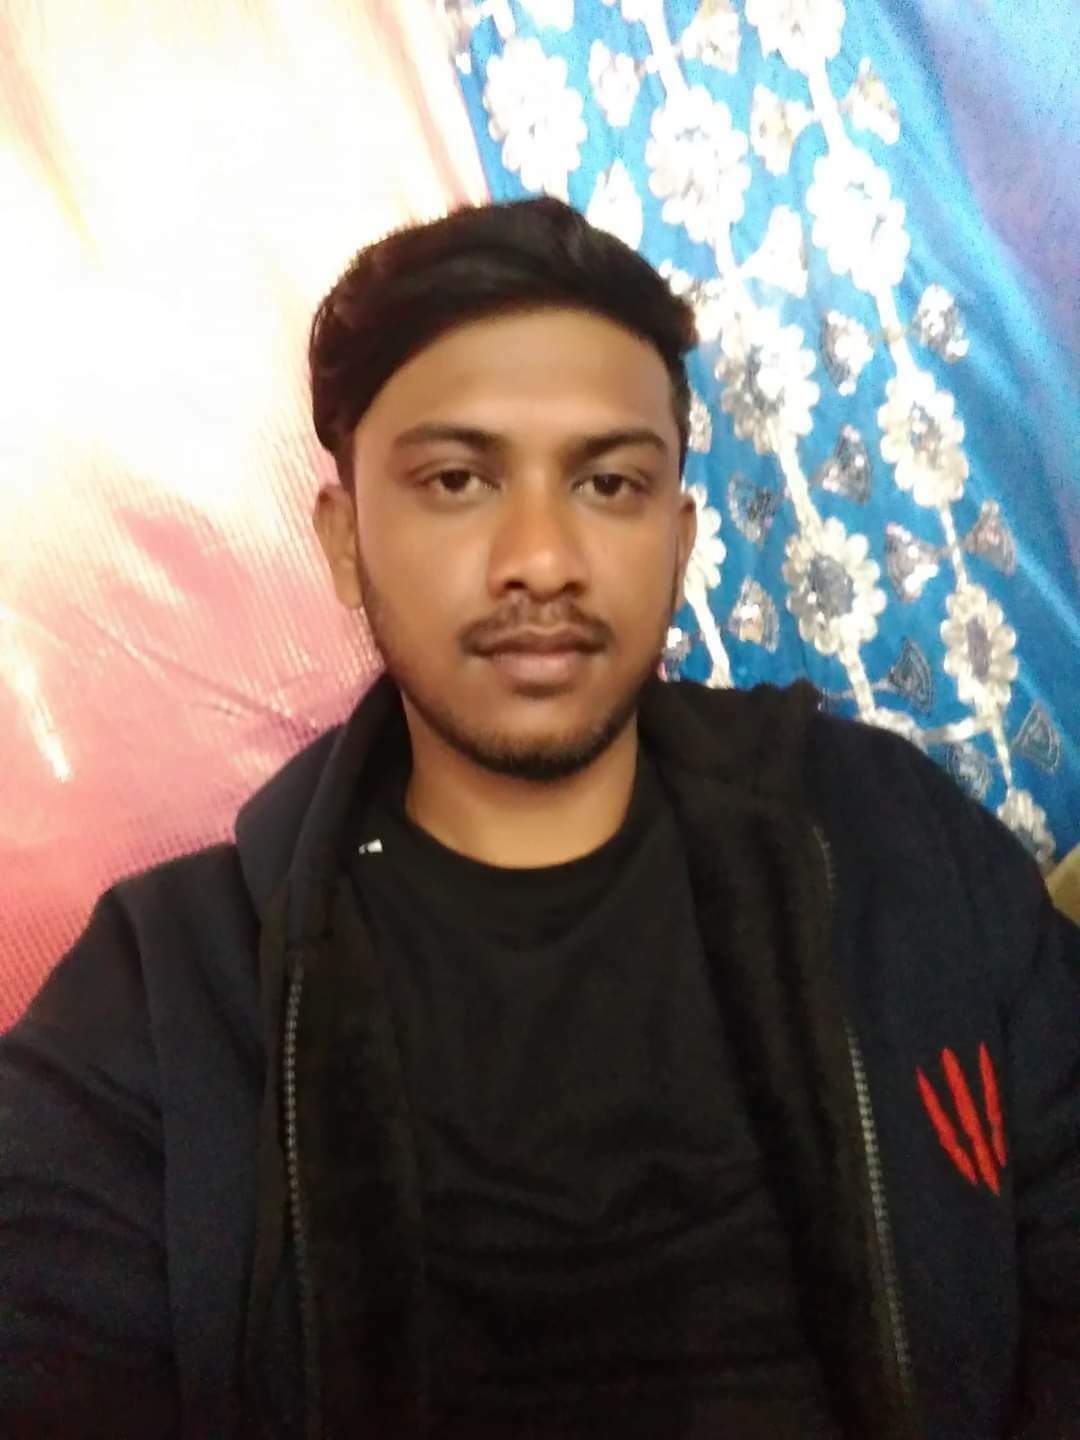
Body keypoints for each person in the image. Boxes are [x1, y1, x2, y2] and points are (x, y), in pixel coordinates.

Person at [1, 197, 1077, 1440]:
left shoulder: (895, 849)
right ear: (345, 542)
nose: (542, 558)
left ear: (677, 536)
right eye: (457, 481)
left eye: (609, 483)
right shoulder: (170, 989)